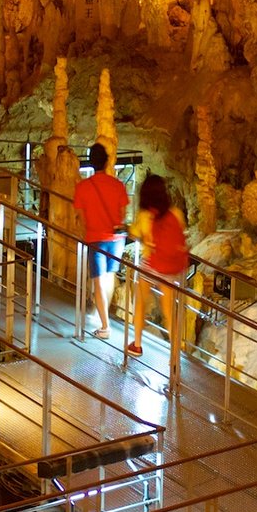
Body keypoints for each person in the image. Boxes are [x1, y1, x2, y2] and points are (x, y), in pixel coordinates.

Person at [124, 173, 191, 364]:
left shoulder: (145, 216)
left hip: (151, 264)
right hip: (171, 269)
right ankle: (175, 354)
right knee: (169, 311)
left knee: (140, 303)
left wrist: (132, 230)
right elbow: (181, 236)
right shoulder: (175, 213)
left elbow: (135, 233)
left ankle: (136, 344)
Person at [70, 142, 128, 340]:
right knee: (110, 275)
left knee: (98, 280)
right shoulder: (118, 185)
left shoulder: (83, 187)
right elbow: (123, 213)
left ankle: (104, 325)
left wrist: (83, 232)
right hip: (117, 239)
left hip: (96, 238)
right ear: (108, 161)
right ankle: (101, 314)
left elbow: (79, 216)